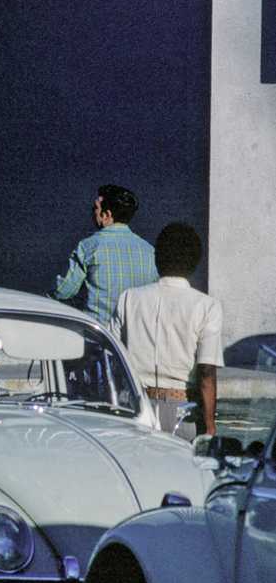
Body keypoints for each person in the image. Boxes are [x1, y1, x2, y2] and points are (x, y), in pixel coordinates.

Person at [110, 222, 223, 439]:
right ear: (195, 261)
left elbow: (111, 358)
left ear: (157, 258)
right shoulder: (207, 306)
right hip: (182, 410)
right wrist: (210, 423)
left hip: (134, 406)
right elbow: (206, 371)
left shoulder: (128, 298)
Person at [50, 184, 157, 326]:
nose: (92, 212)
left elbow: (62, 291)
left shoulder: (88, 246)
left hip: (98, 334)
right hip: (136, 335)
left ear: (106, 215)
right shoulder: (150, 251)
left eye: (95, 208)